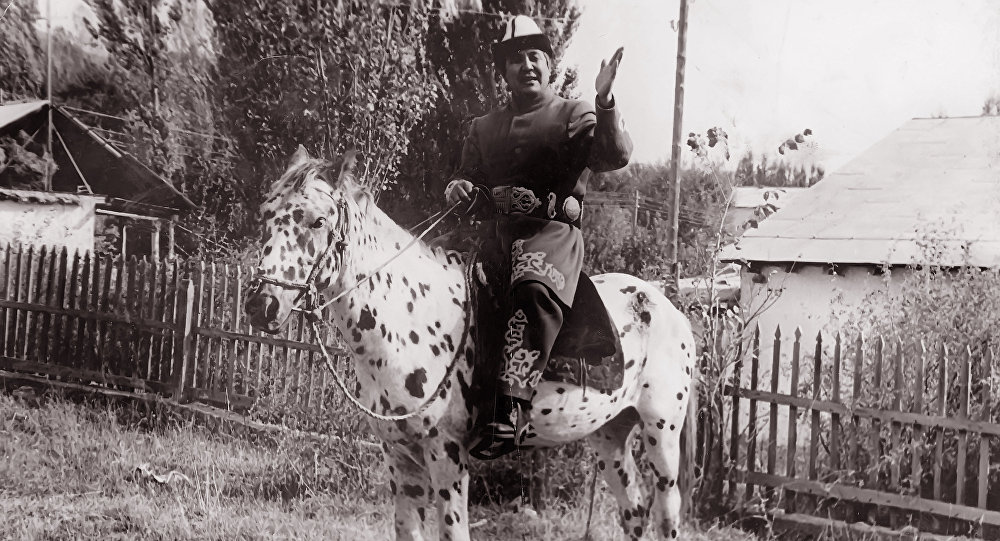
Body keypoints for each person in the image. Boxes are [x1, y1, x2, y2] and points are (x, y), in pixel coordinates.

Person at [445, 14, 633, 459]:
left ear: (549, 64)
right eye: (515, 60)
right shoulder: (483, 127)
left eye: (534, 56)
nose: (526, 66)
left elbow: (613, 156)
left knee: (531, 286)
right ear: (504, 71)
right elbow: (465, 178)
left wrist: (604, 100)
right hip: (495, 239)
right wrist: (458, 188)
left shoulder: (574, 114)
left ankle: (510, 409)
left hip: (551, 236)